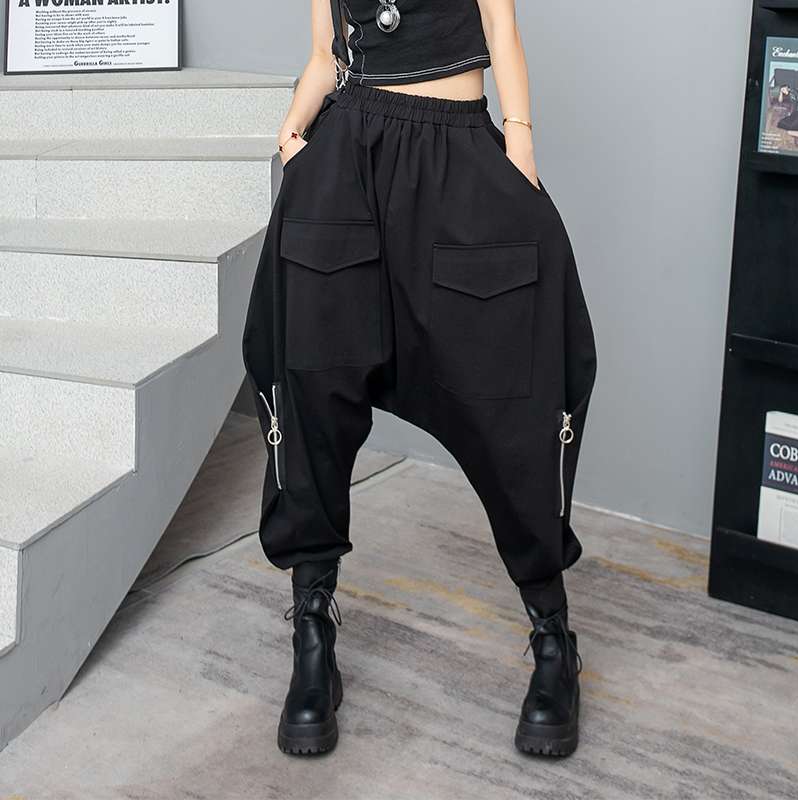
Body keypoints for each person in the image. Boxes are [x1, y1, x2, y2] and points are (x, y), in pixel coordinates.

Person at [242, 0, 598, 759]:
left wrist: (520, 143)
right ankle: (312, 638)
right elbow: (325, 55)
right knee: (314, 390)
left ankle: (553, 639)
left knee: (507, 402)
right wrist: (291, 133)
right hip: (346, 161)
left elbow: (500, 27)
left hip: (456, 156)